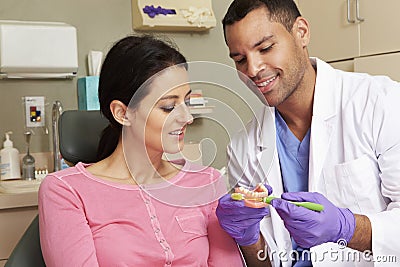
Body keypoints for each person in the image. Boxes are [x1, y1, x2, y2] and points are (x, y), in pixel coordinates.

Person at [216, 0, 400, 266]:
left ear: (301, 32)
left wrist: (347, 229)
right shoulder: (242, 147)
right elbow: (263, 262)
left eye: (265, 48)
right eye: (240, 59)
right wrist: (248, 239)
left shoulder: (381, 102)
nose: (253, 70)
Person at [38, 35, 243, 267]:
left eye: (187, 102)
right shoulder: (66, 191)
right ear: (122, 113)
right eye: (168, 107)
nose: (187, 117)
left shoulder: (206, 181)